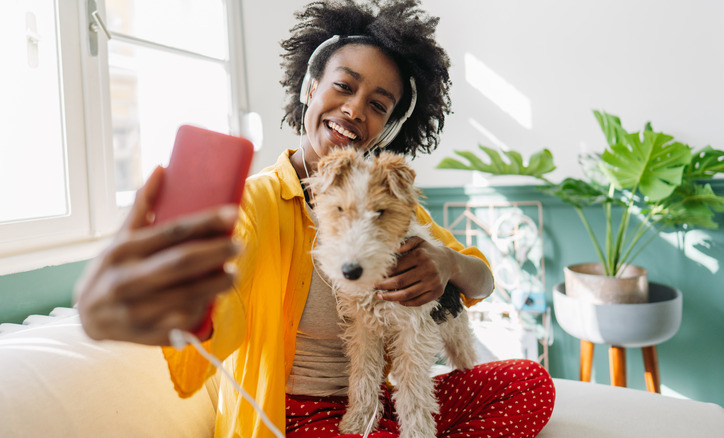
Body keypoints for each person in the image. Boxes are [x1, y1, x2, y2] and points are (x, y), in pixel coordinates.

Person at [75, 0, 556, 437]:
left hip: (380, 403)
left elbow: (482, 280)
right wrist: (154, 307)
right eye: (344, 86)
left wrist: (448, 262)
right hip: (294, 413)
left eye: (377, 105)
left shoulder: (393, 202)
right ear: (310, 87)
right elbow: (217, 316)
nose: (353, 109)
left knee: (531, 382)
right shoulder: (255, 203)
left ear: (386, 128)